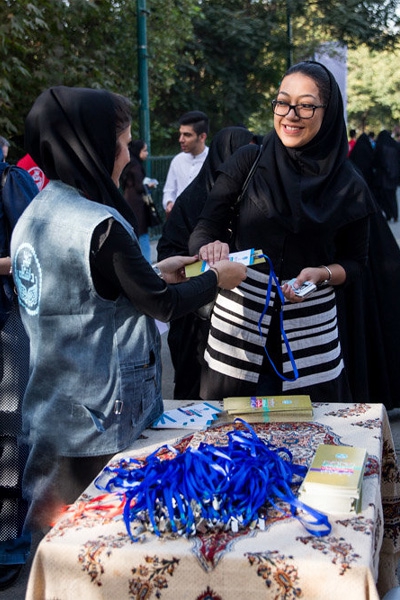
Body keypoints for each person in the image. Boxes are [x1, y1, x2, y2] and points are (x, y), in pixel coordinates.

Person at [10, 86, 246, 532]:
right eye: (122, 143)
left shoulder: (34, 214)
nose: (128, 157)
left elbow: (88, 287)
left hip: (49, 413)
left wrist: (155, 268)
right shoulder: (100, 224)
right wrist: (218, 278)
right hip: (101, 421)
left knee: (58, 544)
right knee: (104, 546)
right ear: (94, 145)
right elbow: (161, 304)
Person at [189, 61, 376, 402]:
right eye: (282, 102)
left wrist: (322, 273)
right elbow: (204, 228)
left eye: (305, 105)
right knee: (233, 443)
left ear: (328, 111)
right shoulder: (248, 162)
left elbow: (356, 263)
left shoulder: (351, 185)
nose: (290, 115)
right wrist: (209, 248)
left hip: (310, 341)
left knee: (311, 442)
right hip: (239, 335)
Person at [157, 125, 255, 399]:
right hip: (195, 315)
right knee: (195, 388)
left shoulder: (249, 197)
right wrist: (208, 267)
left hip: (235, 315)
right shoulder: (195, 199)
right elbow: (168, 254)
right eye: (241, 155)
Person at [0, 161, 38, 590]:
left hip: (8, 323)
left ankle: (11, 539)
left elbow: (29, 256)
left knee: (10, 433)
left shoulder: (12, 180)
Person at [162, 110, 209, 217]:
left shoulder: (213, 160)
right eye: (180, 134)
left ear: (202, 137)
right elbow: (169, 190)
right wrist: (169, 203)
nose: (181, 139)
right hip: (179, 222)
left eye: (187, 135)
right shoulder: (177, 160)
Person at [120, 140, 155, 262]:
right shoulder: (135, 166)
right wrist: (149, 185)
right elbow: (139, 186)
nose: (146, 153)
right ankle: (148, 264)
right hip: (138, 205)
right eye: (144, 150)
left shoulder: (129, 163)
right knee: (143, 235)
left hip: (130, 201)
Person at [373, 130, 400, 222]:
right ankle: (395, 215)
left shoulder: (380, 146)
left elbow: (377, 161)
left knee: (384, 198)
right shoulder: (396, 145)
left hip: (383, 177)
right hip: (394, 176)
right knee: (392, 197)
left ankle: (388, 214)